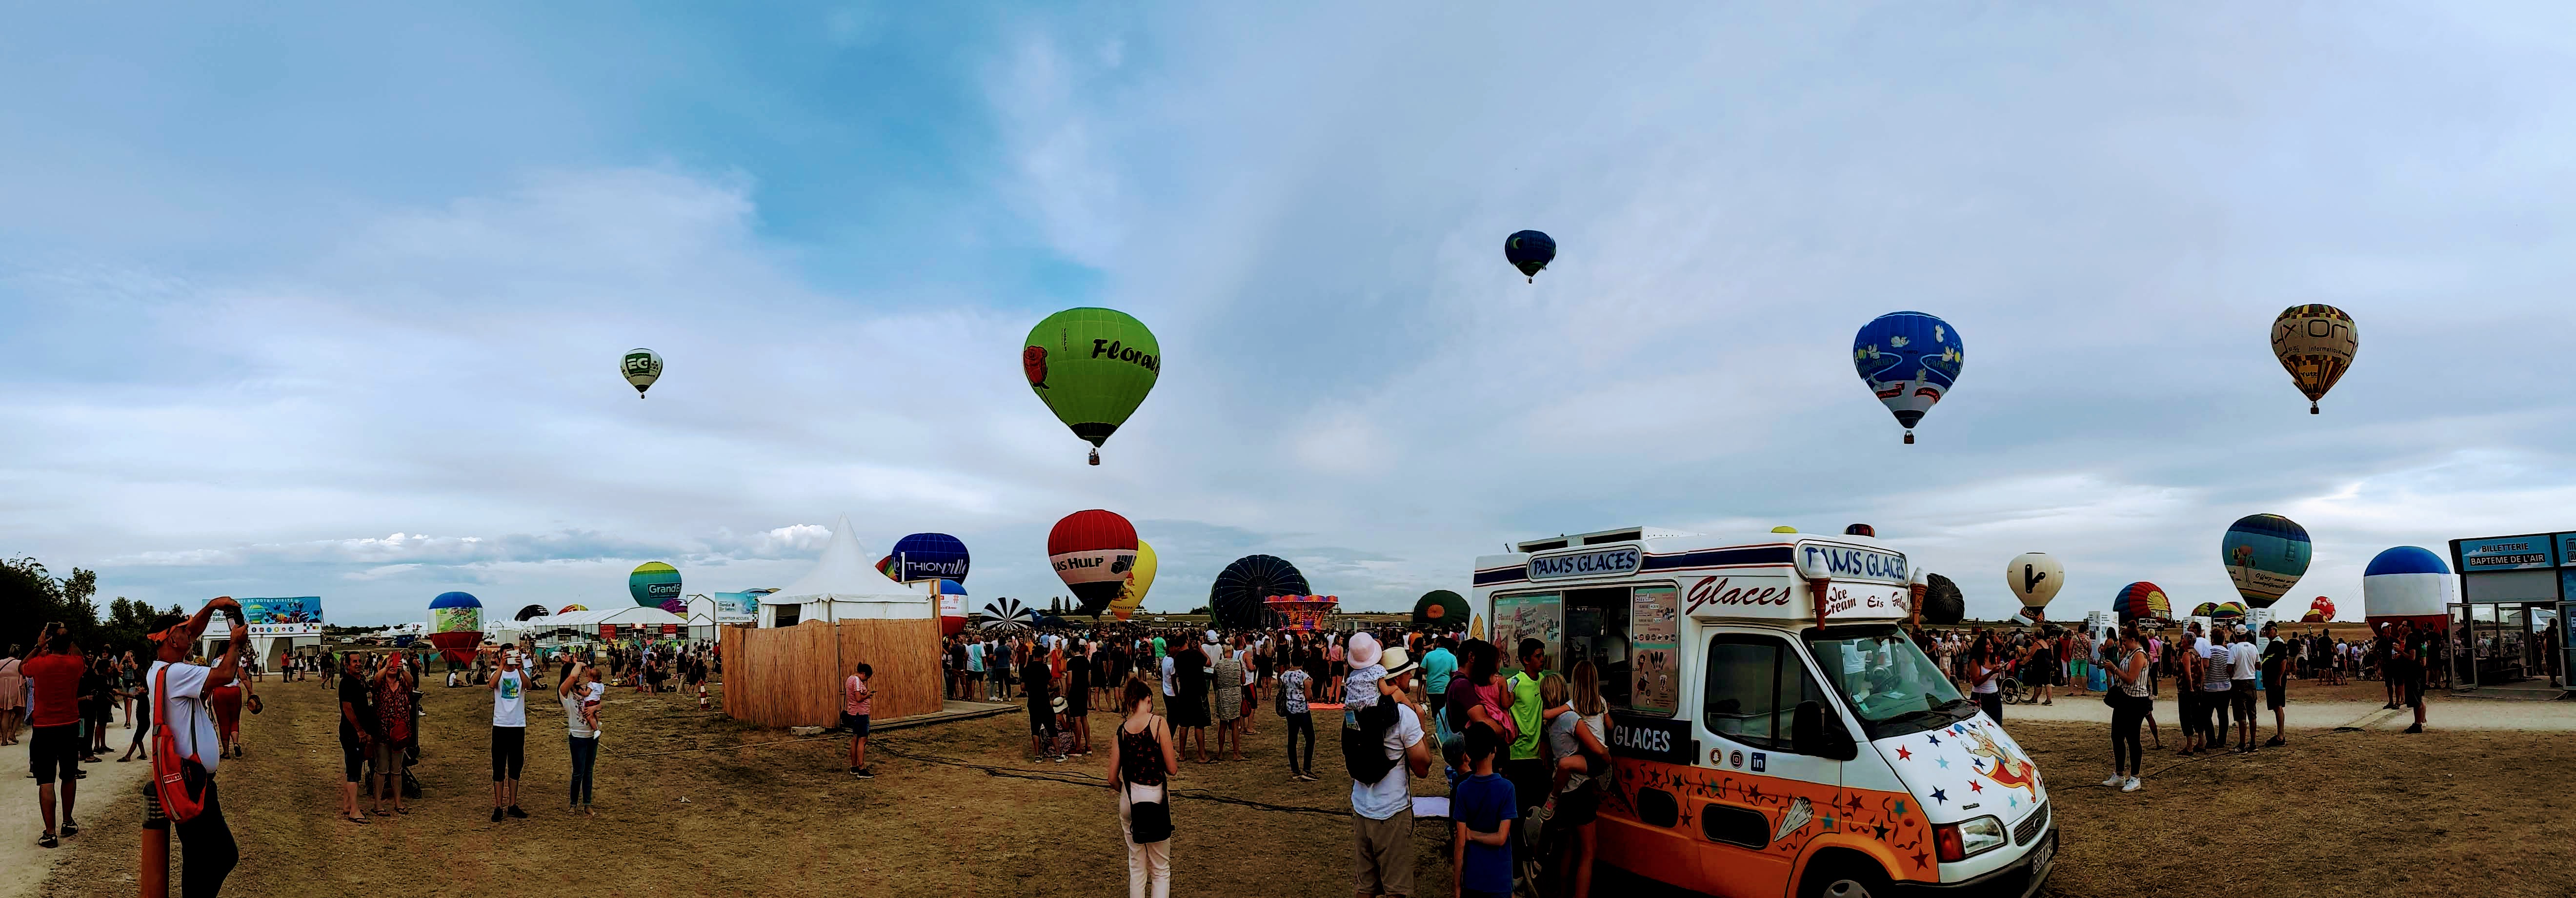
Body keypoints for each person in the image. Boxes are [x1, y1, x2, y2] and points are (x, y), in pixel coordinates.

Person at [144, 602, 247, 896]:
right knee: (223, 855)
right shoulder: (176, 673)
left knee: (198, 857)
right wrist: (235, 643)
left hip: (187, 777)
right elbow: (226, 674)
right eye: (183, 631)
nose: (190, 635)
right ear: (172, 639)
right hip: (192, 780)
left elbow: (192, 631)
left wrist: (213, 607)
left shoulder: (161, 671)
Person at [1350, 647, 1429, 898]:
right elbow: (1422, 767)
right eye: (1407, 673)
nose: (1411, 677)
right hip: (1391, 811)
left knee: (1366, 887)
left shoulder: (1358, 707)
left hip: (1361, 806)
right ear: (1396, 678)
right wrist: (1421, 722)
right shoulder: (1404, 714)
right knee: (1396, 890)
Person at [1536, 663, 1610, 898]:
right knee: (1588, 851)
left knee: (1568, 846)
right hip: (1579, 788)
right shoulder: (1570, 718)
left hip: (1565, 792)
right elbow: (1596, 748)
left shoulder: (1551, 722)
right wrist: (1607, 757)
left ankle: (1561, 892)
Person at [1108, 676, 1178, 898]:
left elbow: (1112, 778)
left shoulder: (1121, 731)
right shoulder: (1158, 723)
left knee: (1137, 867)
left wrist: (1125, 790)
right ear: (1148, 698)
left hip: (1129, 800)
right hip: (1155, 800)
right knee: (1160, 869)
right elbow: (1172, 768)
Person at [23, 624, 88, 849]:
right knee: (69, 775)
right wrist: (68, 639)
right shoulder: (75, 663)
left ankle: (50, 833)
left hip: (44, 727)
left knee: (46, 780)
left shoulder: (40, 663)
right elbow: (82, 659)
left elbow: (22, 667)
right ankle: (67, 822)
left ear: (50, 642)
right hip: (69, 725)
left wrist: (39, 645)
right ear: (69, 644)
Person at [1451, 723, 1517, 898]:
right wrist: (1473, 835)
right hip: (1500, 880)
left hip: (1473, 879)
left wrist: (1457, 886)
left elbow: (1460, 842)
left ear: (1468, 754)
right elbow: (1501, 838)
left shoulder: (1463, 789)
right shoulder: (1507, 788)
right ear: (1494, 750)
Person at [2102, 627, 2150, 793]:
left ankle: (2135, 777)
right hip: (2124, 698)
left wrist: (2114, 668)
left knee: (2133, 739)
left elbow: (2130, 679)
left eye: (2125, 641)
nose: (2123, 644)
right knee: (2117, 736)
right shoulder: (2129, 654)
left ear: (2133, 640)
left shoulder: (2139, 655)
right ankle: (2119, 774)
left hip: (2136, 701)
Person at [489, 649, 531, 822]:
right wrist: (501, 666)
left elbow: (528, 686)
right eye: (506, 655)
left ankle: (512, 805)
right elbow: (492, 685)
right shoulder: (496, 673)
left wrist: (520, 669)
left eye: (512, 655)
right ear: (501, 656)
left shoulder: (521, 674)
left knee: (515, 766)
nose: (510, 658)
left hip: (517, 725)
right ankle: (498, 806)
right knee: (498, 766)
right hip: (500, 725)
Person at [373, 651, 415, 816]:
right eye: (389, 665)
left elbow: (411, 682)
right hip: (383, 733)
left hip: (400, 734)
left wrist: (402, 670)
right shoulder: (380, 685)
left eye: (395, 665)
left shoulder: (403, 684)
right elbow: (376, 679)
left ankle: (398, 803)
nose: (392, 667)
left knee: (397, 770)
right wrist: (387, 667)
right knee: (381, 769)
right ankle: (378, 804)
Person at [337, 653, 376, 824]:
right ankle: (354, 811)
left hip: (358, 733)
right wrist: (359, 731)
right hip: (351, 733)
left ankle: (347, 805)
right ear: (347, 665)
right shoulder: (347, 683)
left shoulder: (360, 681)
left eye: (360, 661)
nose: (358, 664)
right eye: (354, 662)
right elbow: (347, 709)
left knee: (351, 768)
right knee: (354, 773)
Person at [558, 660, 600, 814]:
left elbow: (599, 704)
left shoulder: (584, 690)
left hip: (592, 735)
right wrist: (579, 663)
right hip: (577, 736)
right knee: (578, 772)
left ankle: (587, 804)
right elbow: (573, 676)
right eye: (578, 672)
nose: (580, 676)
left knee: (589, 772)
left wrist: (596, 708)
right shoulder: (564, 692)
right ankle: (573, 805)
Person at [1281, 647, 1317, 781]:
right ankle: (1307, 768)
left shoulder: (1284, 676)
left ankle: (1295, 769)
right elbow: (1309, 697)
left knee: (1292, 740)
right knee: (1310, 739)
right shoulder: (1304, 677)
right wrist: (1310, 686)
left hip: (1290, 710)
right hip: (1303, 711)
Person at [2227, 627, 2259, 753]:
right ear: (2246, 635)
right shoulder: (2253, 648)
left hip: (2239, 682)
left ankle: (2242, 744)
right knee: (2252, 713)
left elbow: (2229, 667)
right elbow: (2258, 666)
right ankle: (2253, 743)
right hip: (2251, 681)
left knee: (2241, 714)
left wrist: (2232, 676)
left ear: (2236, 636)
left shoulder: (2234, 649)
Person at [2260, 623, 2292, 748]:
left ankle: (2281, 736)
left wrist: (2279, 678)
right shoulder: (2274, 643)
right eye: (2266, 630)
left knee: (2277, 706)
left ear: (2275, 630)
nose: (2267, 632)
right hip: (2272, 680)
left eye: (2269, 630)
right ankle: (2280, 735)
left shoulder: (2279, 644)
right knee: (2275, 706)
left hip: (2276, 681)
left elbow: (2283, 662)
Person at [1025, 645, 1057, 760]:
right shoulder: (1044, 668)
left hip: (1032, 701)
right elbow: (1051, 684)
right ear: (1043, 656)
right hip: (1044, 701)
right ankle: (1058, 753)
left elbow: (1023, 687)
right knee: (1051, 728)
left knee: (1035, 728)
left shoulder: (1028, 668)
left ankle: (1037, 755)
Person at [1213, 646, 1245, 761]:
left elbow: (1215, 682)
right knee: (1235, 724)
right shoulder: (1238, 663)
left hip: (1223, 694)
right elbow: (1243, 681)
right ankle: (1236, 753)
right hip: (1235, 693)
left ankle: (1221, 753)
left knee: (1223, 724)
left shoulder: (1218, 665)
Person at [845, 662, 875, 777]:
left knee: (855, 740)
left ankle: (854, 767)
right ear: (863, 673)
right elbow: (858, 698)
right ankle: (861, 769)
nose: (866, 680)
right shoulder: (857, 681)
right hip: (861, 714)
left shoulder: (850, 679)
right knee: (862, 740)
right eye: (867, 678)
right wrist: (867, 695)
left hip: (854, 713)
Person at [1065, 646, 1092, 756]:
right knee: (1084, 718)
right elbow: (1089, 678)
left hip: (1075, 692)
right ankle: (1088, 745)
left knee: (1077, 720)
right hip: (1084, 691)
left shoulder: (1071, 663)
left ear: (1072, 651)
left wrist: (1067, 693)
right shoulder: (1086, 661)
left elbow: (1069, 681)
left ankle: (1078, 747)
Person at [0, 644, 23, 746]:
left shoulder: (1, 662)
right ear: (18, 655)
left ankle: (4, 740)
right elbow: (22, 678)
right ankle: (12, 735)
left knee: (5, 713)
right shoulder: (19, 663)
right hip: (14, 690)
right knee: (20, 712)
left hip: (1, 690)